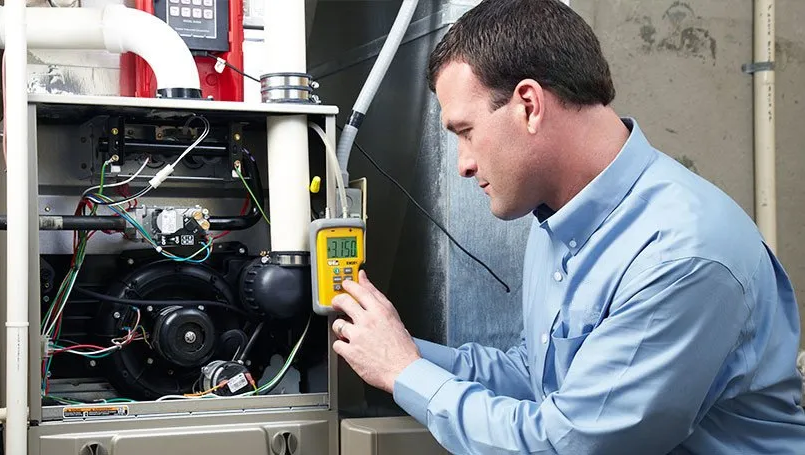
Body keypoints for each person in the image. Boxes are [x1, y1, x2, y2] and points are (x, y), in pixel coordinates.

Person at [328, 0, 805, 453]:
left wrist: (405, 372)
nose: (464, 164)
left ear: (529, 106)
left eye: (466, 132)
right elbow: (536, 375)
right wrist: (393, 346)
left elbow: (568, 443)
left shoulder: (681, 255)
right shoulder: (557, 219)